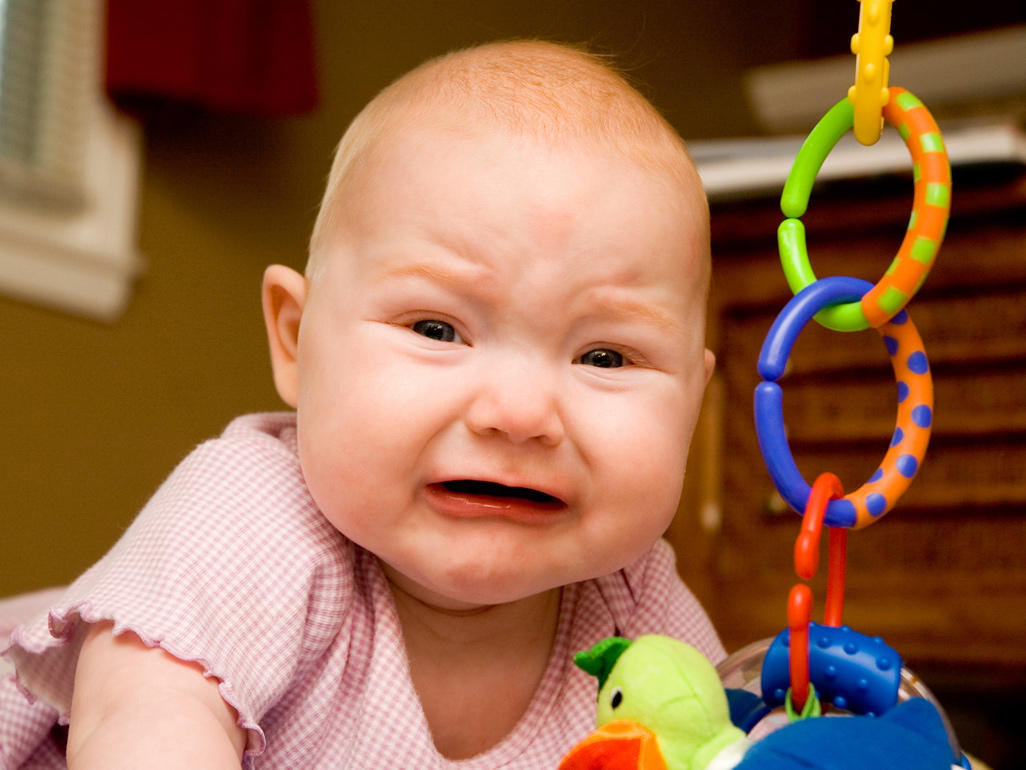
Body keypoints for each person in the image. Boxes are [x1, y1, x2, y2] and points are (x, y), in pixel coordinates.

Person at [1, 39, 720, 768]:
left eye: (604, 357)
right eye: (438, 330)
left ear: (694, 400)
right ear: (294, 340)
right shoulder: (250, 513)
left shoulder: (637, 606)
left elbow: (722, 747)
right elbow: (141, 726)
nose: (520, 412)